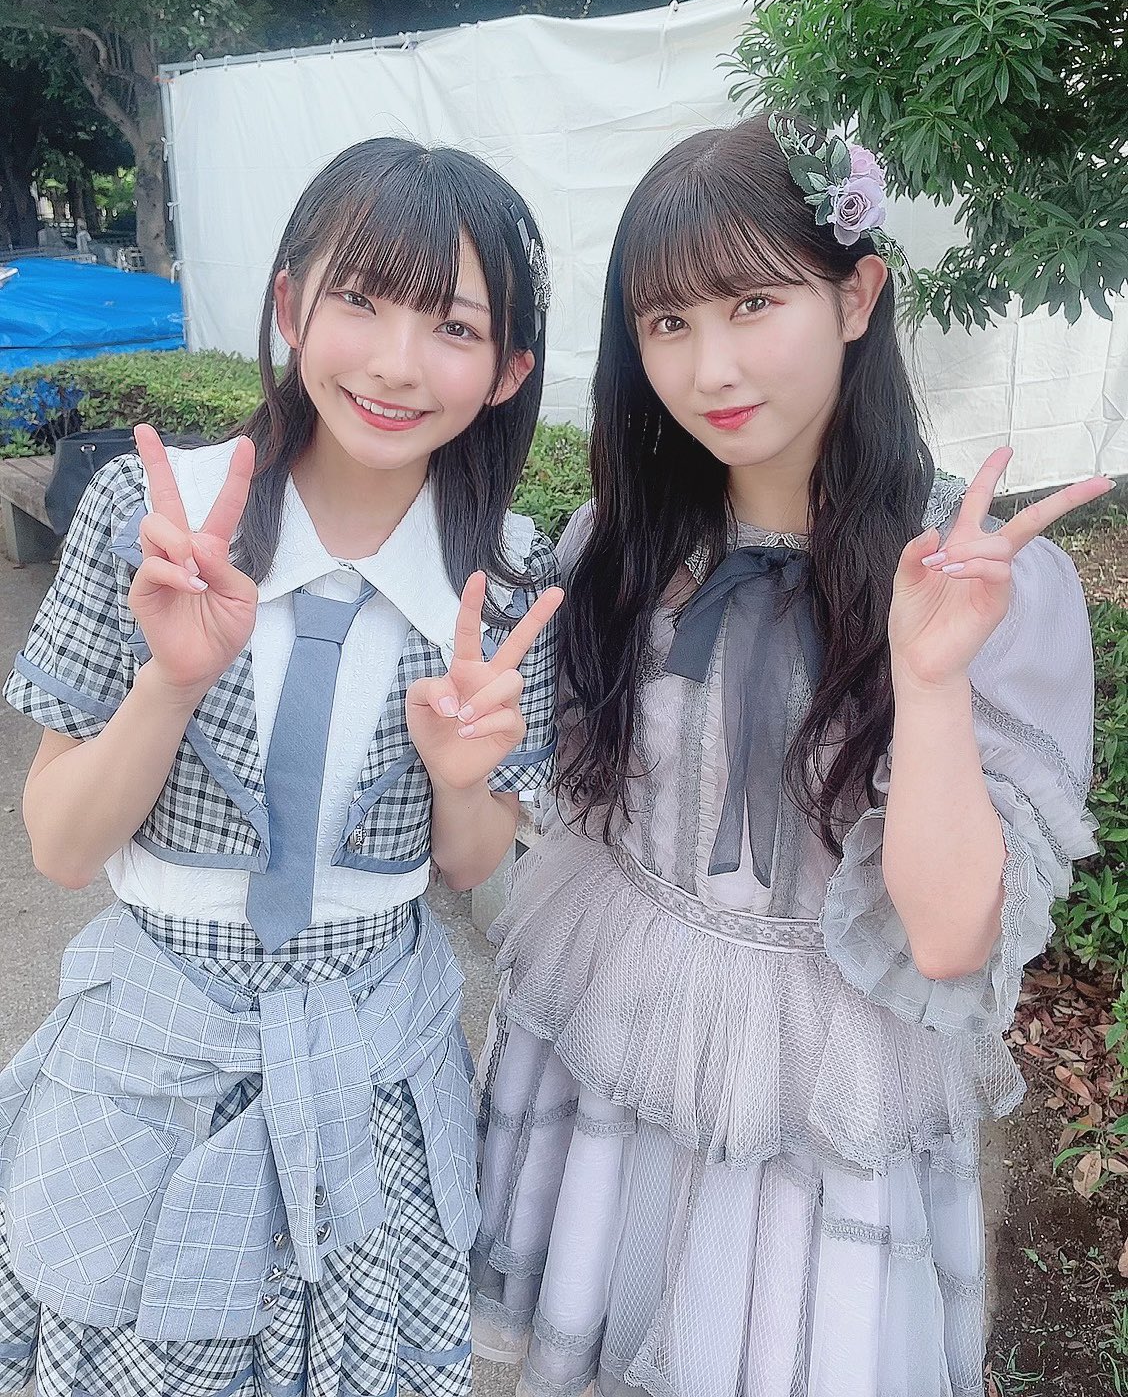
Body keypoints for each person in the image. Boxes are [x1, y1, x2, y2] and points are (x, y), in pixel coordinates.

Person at [471, 112, 1108, 1397]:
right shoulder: (618, 547)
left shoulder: (978, 587)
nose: (710, 364)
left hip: (829, 1086)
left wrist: (929, 678)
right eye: (667, 322)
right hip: (616, 1032)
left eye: (754, 302)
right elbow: (551, 804)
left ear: (856, 295)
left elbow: (949, 942)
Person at [0, 137, 562, 1397]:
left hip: (376, 1080)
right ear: (290, 305)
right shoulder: (151, 520)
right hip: (155, 1067)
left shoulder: (506, 585)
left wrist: (462, 773)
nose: (397, 362)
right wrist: (172, 680)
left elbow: (470, 862)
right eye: (360, 298)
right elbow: (61, 845)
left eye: (454, 326)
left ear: (508, 370)